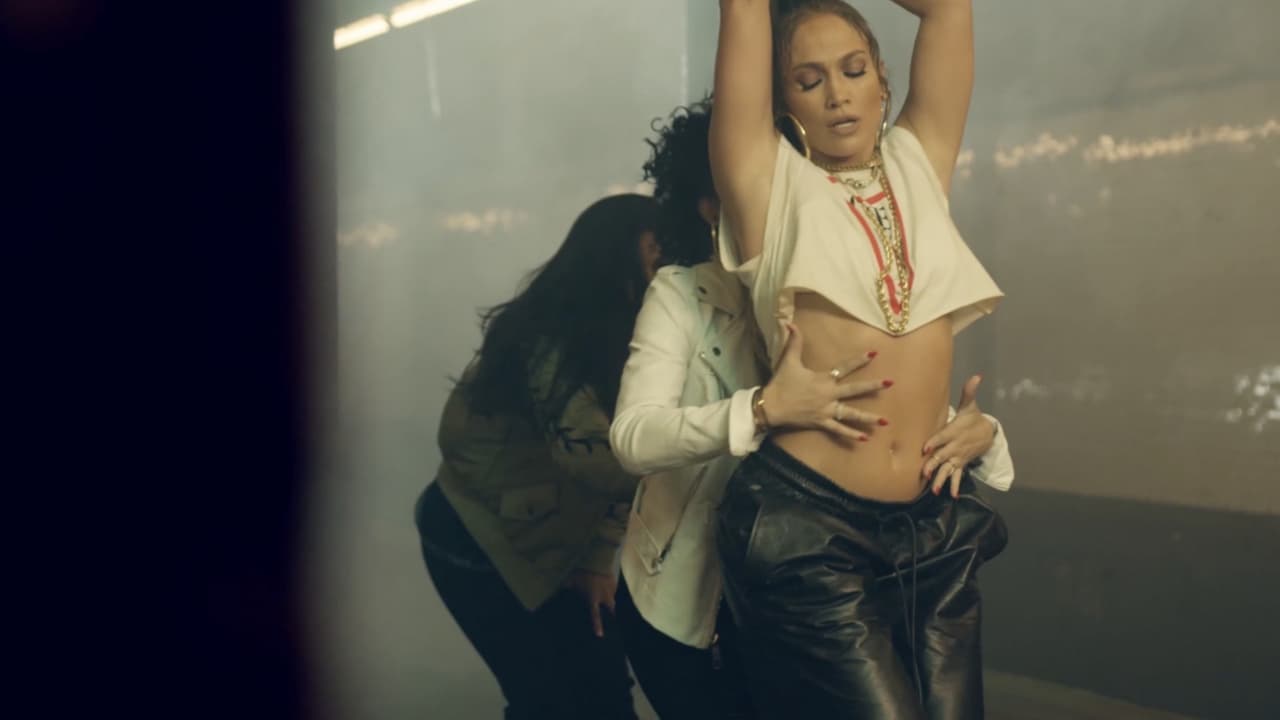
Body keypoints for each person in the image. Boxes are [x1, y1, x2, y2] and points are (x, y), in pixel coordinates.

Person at [611, 91, 1013, 719]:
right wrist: (761, 409)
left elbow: (885, 417)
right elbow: (633, 437)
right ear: (713, 204)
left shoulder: (841, 292)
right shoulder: (683, 294)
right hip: (690, 607)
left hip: (817, 591)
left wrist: (979, 433)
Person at [709, 1, 1011, 717]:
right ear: (783, 102)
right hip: (811, 534)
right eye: (808, 80)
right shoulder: (766, 182)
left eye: (852, 71)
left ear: (882, 79)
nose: (837, 95)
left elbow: (948, 10)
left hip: (933, 525)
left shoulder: (917, 162)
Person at [413, 194, 660, 720]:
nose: (668, 277)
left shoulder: (628, 335)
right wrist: (698, 458)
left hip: (556, 543)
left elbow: (623, 456)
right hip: (476, 540)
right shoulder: (552, 339)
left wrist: (596, 559)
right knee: (546, 701)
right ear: (610, 265)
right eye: (654, 260)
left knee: (601, 697)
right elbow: (599, 458)